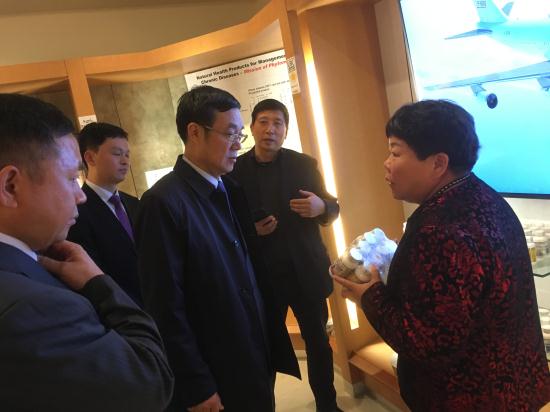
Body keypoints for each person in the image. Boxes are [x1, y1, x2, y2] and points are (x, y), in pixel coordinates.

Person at [332, 100, 550, 411]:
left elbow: (428, 344)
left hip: (470, 397)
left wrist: (370, 295)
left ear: (438, 163)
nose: (386, 163)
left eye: (395, 152)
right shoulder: (483, 195)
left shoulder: (439, 230)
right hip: (513, 385)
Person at [0, 93, 173, 411]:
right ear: (10, 186)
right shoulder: (34, 307)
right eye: (70, 178)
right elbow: (148, 381)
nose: (79, 196)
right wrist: (98, 283)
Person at [135, 86, 297, 412]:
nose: (238, 144)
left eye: (240, 134)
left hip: (252, 352)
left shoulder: (229, 188)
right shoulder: (162, 203)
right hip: (217, 368)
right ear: (195, 132)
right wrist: (196, 385)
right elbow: (164, 307)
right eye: (230, 134)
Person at [228, 98, 341, 412]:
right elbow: (224, 223)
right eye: (263, 122)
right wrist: (252, 231)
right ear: (252, 128)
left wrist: (321, 207)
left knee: (318, 344)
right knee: (263, 348)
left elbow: (332, 206)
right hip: (261, 279)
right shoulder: (234, 170)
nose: (270, 129)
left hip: (306, 273)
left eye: (278, 123)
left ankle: (328, 406)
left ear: (286, 130)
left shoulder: (303, 164)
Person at [67, 122, 142, 305]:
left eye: (127, 154)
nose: (125, 161)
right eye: (117, 154)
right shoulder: (77, 212)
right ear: (90, 158)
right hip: (119, 307)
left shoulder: (135, 203)